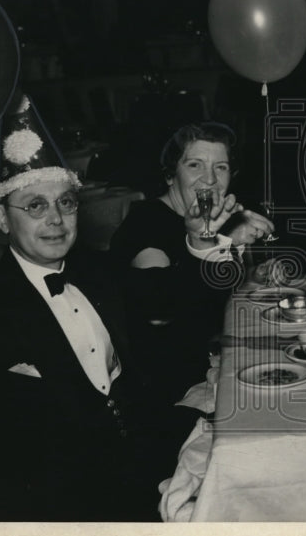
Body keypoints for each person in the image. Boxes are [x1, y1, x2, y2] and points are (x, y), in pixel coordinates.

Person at [0, 93, 190, 521]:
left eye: (65, 203)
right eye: (35, 206)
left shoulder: (97, 273)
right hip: (54, 511)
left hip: (138, 481)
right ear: (1, 219)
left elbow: (161, 304)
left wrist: (201, 245)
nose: (56, 218)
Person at [109, 122, 274, 406]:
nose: (209, 179)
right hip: (175, 386)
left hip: (217, 357)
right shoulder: (146, 225)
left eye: (220, 167)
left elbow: (214, 294)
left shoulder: (214, 219)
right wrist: (220, 245)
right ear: (171, 175)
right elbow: (161, 311)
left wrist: (250, 272)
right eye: (195, 165)